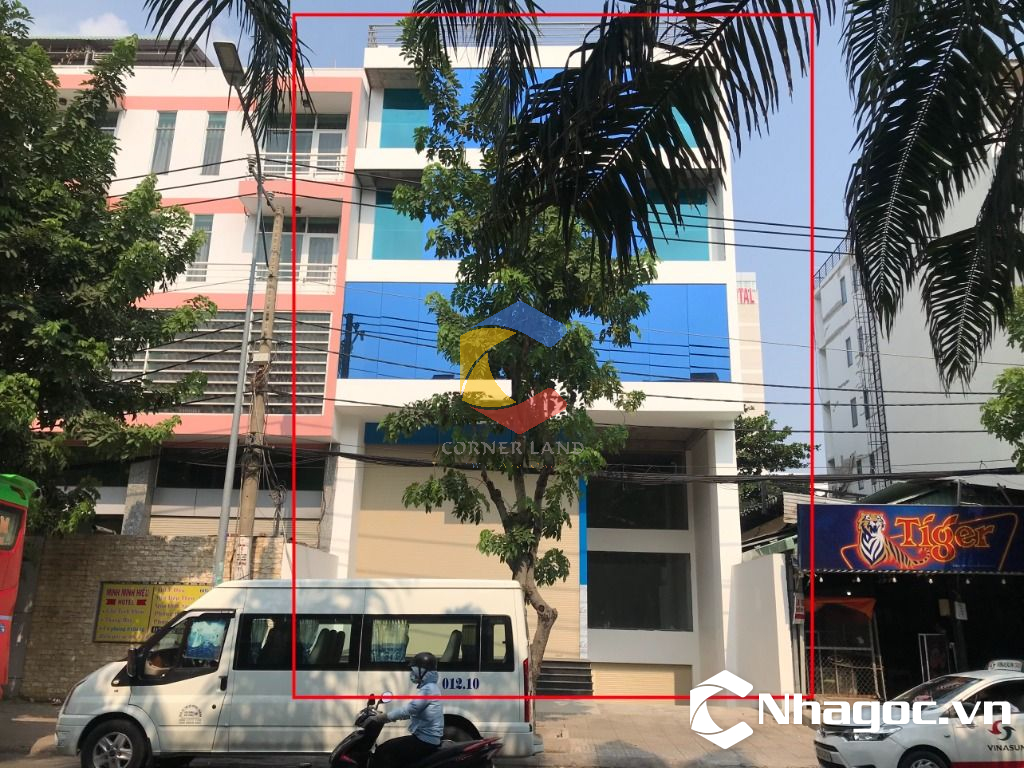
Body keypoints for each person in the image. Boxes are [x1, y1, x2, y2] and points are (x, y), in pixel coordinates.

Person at [372, 651, 443, 768]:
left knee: (384, 750)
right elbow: (411, 712)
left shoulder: (428, 690)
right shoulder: (430, 688)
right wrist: (393, 716)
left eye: (414, 670)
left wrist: (384, 717)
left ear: (423, 671)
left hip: (425, 741)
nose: (412, 674)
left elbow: (410, 709)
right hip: (426, 739)